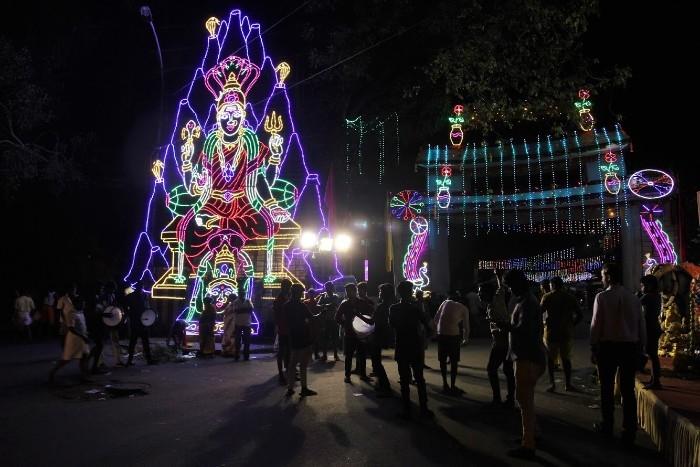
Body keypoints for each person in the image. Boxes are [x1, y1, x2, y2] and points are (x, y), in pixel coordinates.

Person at [591, 263, 646, 446]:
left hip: (608, 348)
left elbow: (596, 326)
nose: (602, 278)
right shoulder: (633, 298)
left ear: (608, 275)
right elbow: (641, 326)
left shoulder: (602, 297)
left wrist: (594, 347)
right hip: (629, 347)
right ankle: (628, 430)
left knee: (606, 388)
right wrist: (641, 348)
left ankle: (607, 425)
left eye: (603, 275)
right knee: (627, 389)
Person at [503, 270, 546, 460]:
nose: (509, 290)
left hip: (527, 357)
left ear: (518, 284)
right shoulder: (526, 300)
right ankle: (533, 433)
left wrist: (506, 327)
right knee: (526, 399)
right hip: (528, 356)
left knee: (524, 401)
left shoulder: (527, 303)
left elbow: (525, 330)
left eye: (510, 286)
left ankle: (528, 445)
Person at [389, 281, 433, 419]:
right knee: (419, 378)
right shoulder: (416, 308)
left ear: (399, 293)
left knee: (404, 379)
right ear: (410, 292)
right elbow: (427, 327)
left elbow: (392, 325)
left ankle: (407, 409)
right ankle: (424, 408)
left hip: (402, 346)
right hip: (415, 345)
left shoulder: (394, 308)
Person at [540, 276, 583, 392]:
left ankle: (552, 384)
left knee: (550, 359)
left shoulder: (547, 297)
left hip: (551, 332)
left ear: (552, 285)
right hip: (565, 332)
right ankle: (568, 384)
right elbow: (580, 315)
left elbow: (539, 313)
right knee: (566, 359)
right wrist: (571, 325)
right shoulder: (570, 298)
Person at [479, 278, 515, 408]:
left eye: (481, 292)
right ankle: (509, 399)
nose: (479, 294)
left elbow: (501, 289)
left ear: (489, 293)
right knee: (508, 370)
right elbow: (501, 289)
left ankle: (498, 398)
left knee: (492, 369)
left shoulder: (496, 301)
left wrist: (499, 277)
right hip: (503, 341)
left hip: (502, 342)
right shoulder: (490, 304)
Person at [433, 292, 470, 394]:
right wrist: (465, 339)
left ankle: (445, 384)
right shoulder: (463, 308)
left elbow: (436, 319)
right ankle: (453, 385)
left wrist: (436, 332)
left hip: (442, 335)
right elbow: (466, 326)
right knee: (454, 362)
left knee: (442, 361)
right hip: (453, 336)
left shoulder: (444, 302)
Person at [285, 284, 317, 397]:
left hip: (293, 336)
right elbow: (311, 317)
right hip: (302, 335)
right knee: (302, 364)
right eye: (300, 292)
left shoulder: (287, 306)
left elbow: (285, 322)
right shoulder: (300, 305)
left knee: (292, 363)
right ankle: (303, 388)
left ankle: (290, 388)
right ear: (297, 293)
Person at [49, 296, 90, 383]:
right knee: (66, 359)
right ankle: (52, 373)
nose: (83, 305)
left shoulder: (80, 312)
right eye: (82, 303)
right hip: (74, 339)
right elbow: (71, 328)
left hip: (81, 338)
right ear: (76, 304)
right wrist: (83, 336)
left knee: (84, 357)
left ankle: (84, 376)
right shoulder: (71, 313)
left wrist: (85, 334)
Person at [336, 283, 371, 383]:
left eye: (350, 291)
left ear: (354, 291)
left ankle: (363, 374)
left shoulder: (362, 302)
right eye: (347, 291)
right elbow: (337, 317)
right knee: (349, 356)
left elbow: (369, 313)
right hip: (349, 333)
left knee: (362, 354)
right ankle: (347, 376)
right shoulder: (345, 304)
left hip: (360, 333)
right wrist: (345, 324)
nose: (348, 293)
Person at [369, 283, 394, 396]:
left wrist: (358, 315)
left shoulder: (381, 306)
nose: (379, 293)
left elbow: (372, 321)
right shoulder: (392, 305)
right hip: (386, 335)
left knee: (376, 362)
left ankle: (385, 386)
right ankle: (382, 384)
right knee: (377, 361)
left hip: (378, 336)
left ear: (384, 293)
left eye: (380, 292)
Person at [640, 274, 662, 389]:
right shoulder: (657, 296)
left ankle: (656, 381)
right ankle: (655, 379)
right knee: (653, 355)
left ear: (649, 286)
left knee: (652, 355)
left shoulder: (647, 297)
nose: (641, 288)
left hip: (650, 328)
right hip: (655, 327)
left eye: (642, 285)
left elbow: (635, 303)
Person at [125, 284, 154, 365]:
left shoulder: (131, 296)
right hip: (142, 321)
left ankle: (129, 361)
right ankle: (148, 360)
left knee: (133, 341)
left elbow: (127, 308)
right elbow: (147, 307)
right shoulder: (143, 295)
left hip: (136, 321)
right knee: (144, 341)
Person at [273, 279, 292, 384]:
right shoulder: (280, 300)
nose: (288, 289)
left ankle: (287, 372)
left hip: (287, 329)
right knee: (282, 352)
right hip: (283, 329)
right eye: (287, 287)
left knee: (288, 351)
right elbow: (276, 316)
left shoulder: (286, 298)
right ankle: (281, 374)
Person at [318, 281, 340, 361]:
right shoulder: (323, 296)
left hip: (334, 320)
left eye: (329, 287)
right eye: (327, 288)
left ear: (332, 288)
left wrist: (324, 306)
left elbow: (333, 305)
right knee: (325, 339)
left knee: (335, 338)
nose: (328, 289)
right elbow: (318, 306)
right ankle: (325, 355)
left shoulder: (335, 296)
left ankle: (335, 355)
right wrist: (326, 305)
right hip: (326, 320)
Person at [233, 282, 254, 361]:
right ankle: (237, 355)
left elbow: (251, 309)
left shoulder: (248, 301)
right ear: (239, 294)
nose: (242, 294)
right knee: (237, 341)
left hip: (246, 324)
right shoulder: (236, 302)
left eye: (243, 293)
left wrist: (241, 310)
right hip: (238, 323)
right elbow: (236, 311)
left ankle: (246, 356)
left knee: (247, 341)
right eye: (241, 293)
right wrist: (245, 310)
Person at [303, 289, 322, 360]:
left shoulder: (316, 302)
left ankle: (315, 354)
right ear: (308, 294)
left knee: (315, 340)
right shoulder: (306, 302)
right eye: (310, 294)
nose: (311, 295)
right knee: (310, 340)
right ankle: (311, 355)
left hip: (314, 323)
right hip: (309, 323)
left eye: (312, 294)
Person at [221, 293, 237, 357]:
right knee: (227, 336)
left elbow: (232, 313)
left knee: (232, 336)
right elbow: (225, 312)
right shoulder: (229, 305)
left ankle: (231, 351)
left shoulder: (235, 305)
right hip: (227, 322)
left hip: (232, 323)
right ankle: (226, 351)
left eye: (230, 298)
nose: (228, 299)